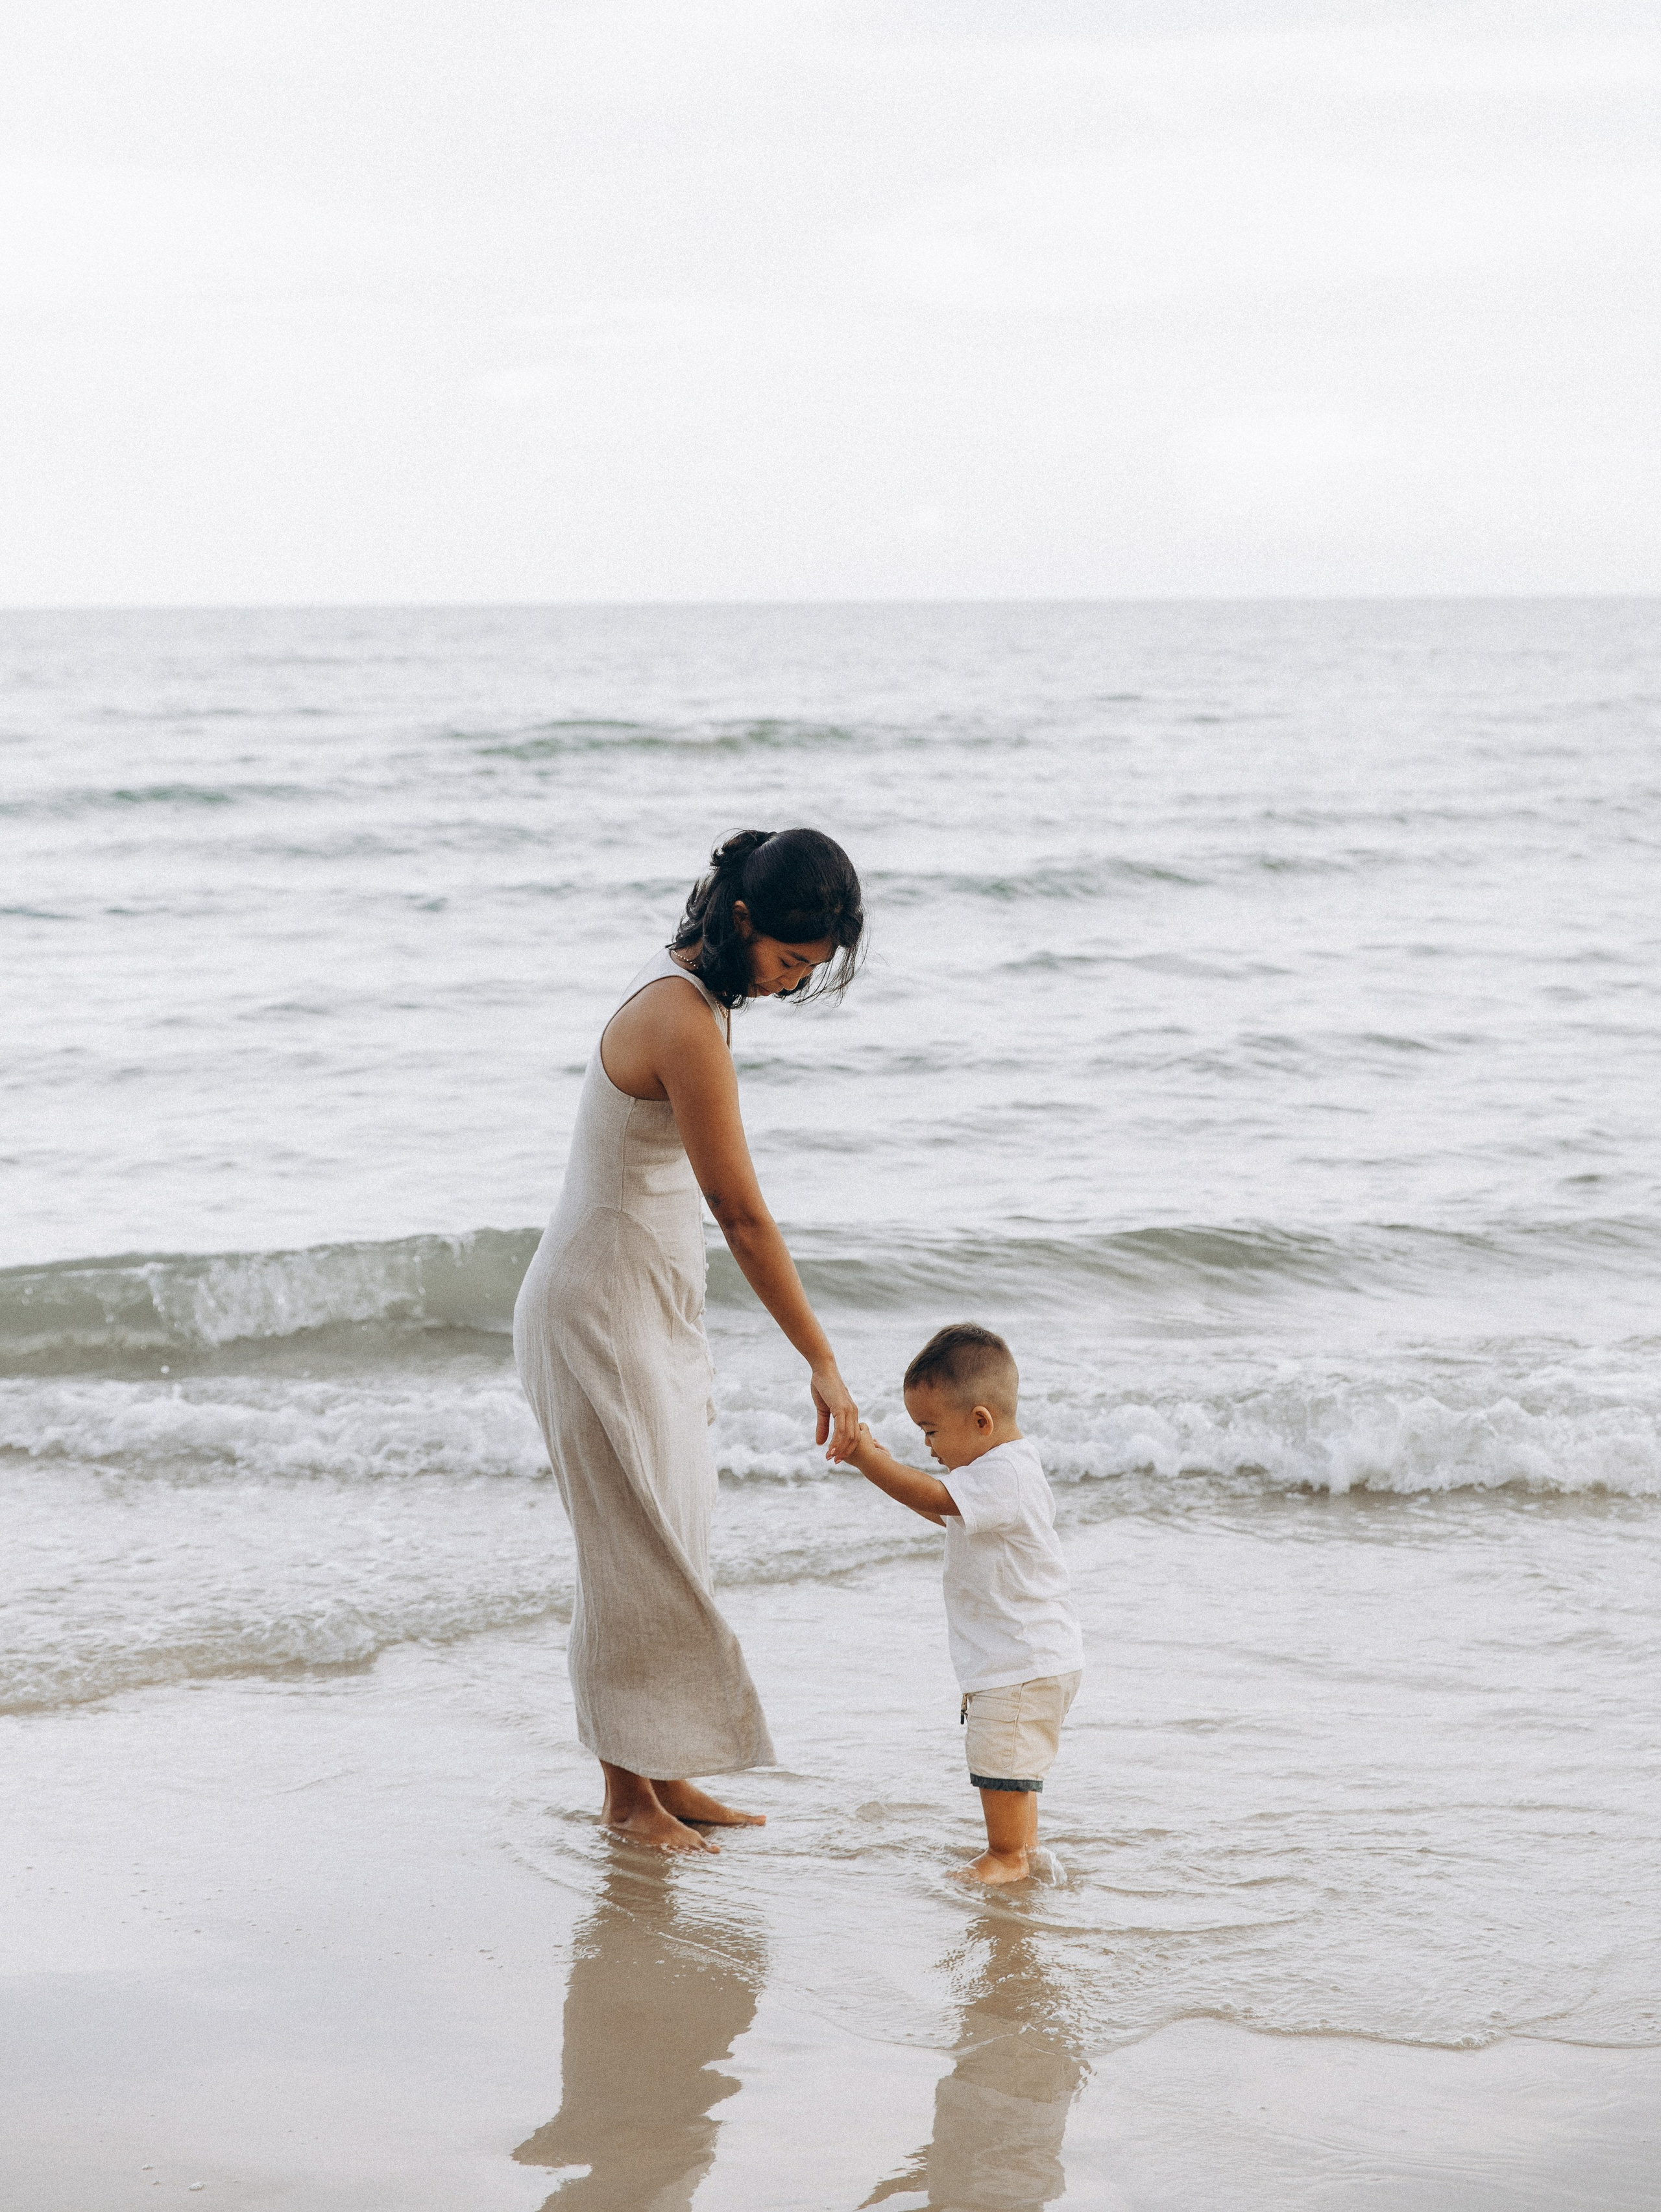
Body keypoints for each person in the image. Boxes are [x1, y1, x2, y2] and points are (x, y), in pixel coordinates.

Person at [514, 828, 865, 1855]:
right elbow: (739, 1210)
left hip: (641, 1309)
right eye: (792, 964)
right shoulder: (681, 1020)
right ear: (745, 920)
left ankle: (662, 1775)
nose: (795, 987)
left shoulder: (701, 999)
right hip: (594, 1317)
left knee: (677, 1534)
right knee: (634, 1553)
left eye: (813, 974)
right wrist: (823, 1358)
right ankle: (626, 1805)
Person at [845, 1323, 1084, 1884]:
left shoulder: (1004, 1474)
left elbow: (933, 1495)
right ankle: (1023, 1853)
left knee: (1000, 1760)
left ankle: (1006, 1859)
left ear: (981, 1421)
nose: (927, 1445)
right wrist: (882, 1462)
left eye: (930, 1430)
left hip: (1019, 1663)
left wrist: (865, 1460)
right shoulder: (1004, 1472)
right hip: (1031, 1659)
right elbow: (943, 1508)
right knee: (1012, 1764)